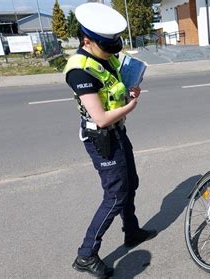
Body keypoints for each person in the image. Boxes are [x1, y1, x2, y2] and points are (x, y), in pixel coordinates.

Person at [63, 3, 156, 278]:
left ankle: (132, 231)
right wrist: (131, 106)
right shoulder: (79, 69)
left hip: (118, 131)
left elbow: (117, 88)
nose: (111, 52)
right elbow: (101, 117)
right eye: (106, 47)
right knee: (115, 194)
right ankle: (86, 254)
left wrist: (130, 91)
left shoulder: (107, 57)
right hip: (101, 136)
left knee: (131, 183)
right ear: (87, 40)